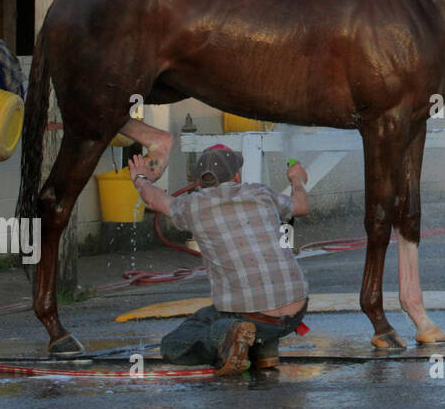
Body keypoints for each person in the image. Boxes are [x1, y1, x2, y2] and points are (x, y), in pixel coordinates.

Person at [128, 145, 311, 374]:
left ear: (199, 182)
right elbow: (302, 207)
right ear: (236, 176)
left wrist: (141, 179)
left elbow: (155, 200)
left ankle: (232, 335)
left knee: (175, 344)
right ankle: (265, 351)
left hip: (254, 316)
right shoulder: (260, 192)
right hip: (297, 311)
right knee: (242, 303)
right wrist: (296, 181)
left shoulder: (192, 206)